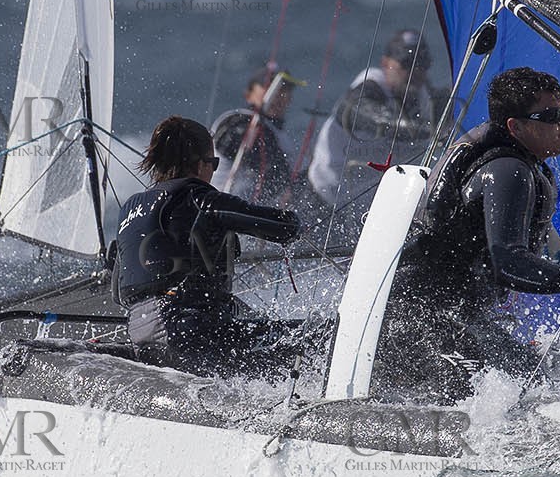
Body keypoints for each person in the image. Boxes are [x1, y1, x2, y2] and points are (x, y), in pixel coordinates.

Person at [374, 66, 560, 401]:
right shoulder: (508, 171)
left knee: (540, 380)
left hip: (445, 320)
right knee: (533, 390)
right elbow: (508, 264)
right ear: (516, 126)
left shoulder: (517, 167)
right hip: (418, 326)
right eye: (552, 115)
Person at [114, 115, 302, 377]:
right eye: (213, 163)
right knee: (303, 341)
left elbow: (119, 289)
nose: (213, 172)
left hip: (140, 332)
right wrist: (296, 222)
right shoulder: (198, 198)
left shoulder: (129, 208)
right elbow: (281, 227)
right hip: (188, 329)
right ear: (200, 164)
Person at [308, 28, 446, 218]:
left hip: (369, 211)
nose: (416, 70)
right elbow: (362, 112)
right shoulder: (369, 87)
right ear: (385, 63)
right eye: (407, 63)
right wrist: (420, 131)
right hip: (323, 200)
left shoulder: (426, 96)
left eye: (423, 63)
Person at [210, 62, 299, 202]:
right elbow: (234, 143)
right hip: (220, 209)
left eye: (284, 88)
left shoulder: (279, 135)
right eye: (268, 87)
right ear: (248, 95)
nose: (278, 94)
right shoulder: (236, 121)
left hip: (252, 214)